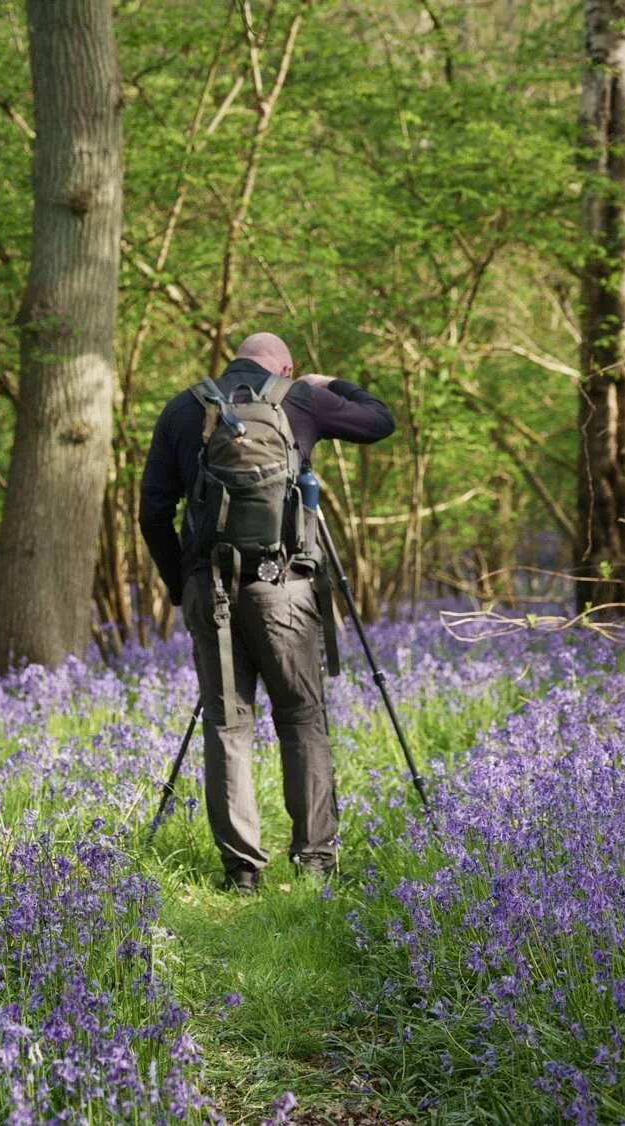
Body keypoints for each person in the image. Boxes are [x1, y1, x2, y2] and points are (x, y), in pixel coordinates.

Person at [139, 332, 395, 893]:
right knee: (302, 719)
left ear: (233, 359)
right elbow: (379, 421)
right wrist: (331, 386)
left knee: (228, 726)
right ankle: (315, 864)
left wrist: (182, 582)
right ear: (283, 365)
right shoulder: (298, 398)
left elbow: (152, 511)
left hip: (211, 588)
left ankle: (243, 873)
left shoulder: (185, 407)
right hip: (286, 587)